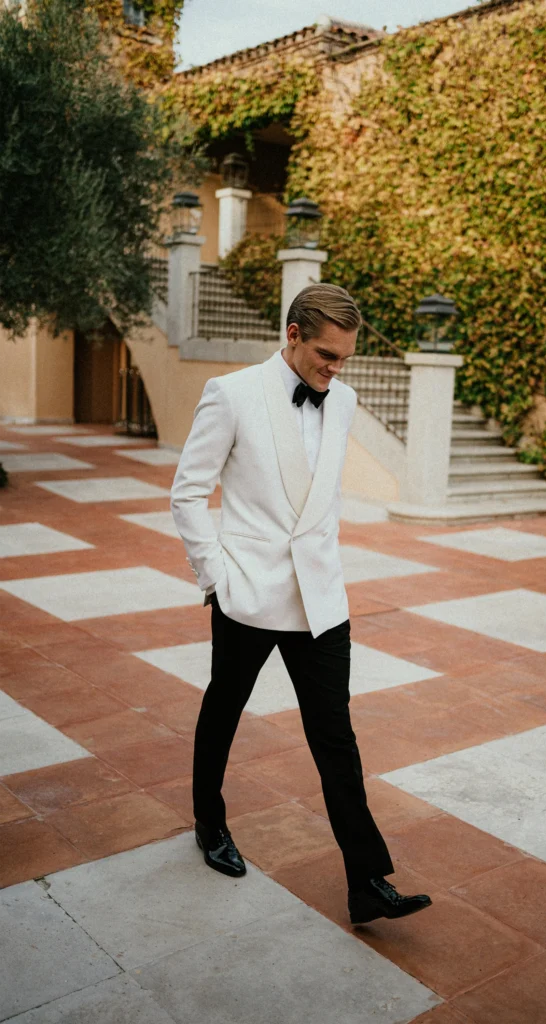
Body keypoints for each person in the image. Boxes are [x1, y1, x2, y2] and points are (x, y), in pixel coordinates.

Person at [170, 283, 432, 926]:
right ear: (292, 335)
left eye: (344, 358)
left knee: (335, 736)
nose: (335, 369)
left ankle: (366, 880)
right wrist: (217, 578)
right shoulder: (231, 393)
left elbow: (321, 500)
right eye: (326, 355)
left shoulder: (343, 401)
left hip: (321, 600)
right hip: (247, 595)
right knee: (224, 709)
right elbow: (187, 493)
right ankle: (209, 823)